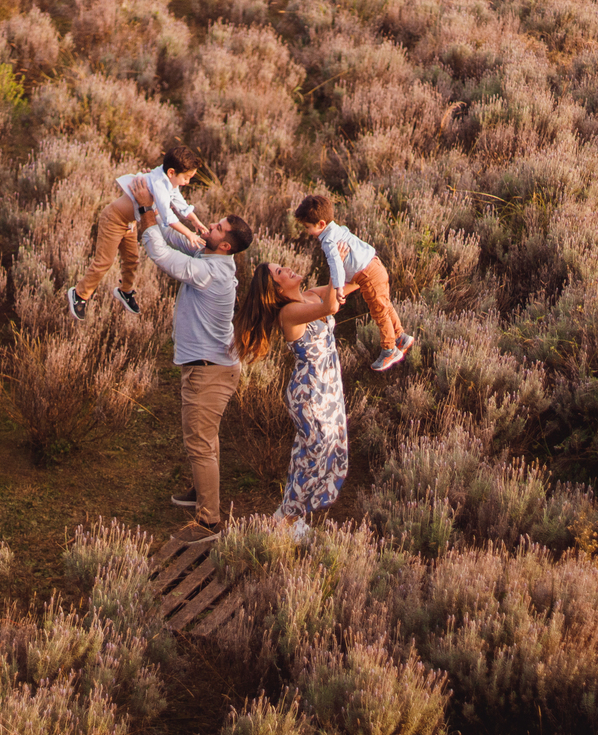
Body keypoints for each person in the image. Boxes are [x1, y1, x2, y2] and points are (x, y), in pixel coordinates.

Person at [131, 176, 254, 545]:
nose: (210, 225)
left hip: (209, 372)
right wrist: (157, 210)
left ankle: (209, 522)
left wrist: (146, 210)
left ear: (226, 244)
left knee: (200, 443)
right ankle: (203, 490)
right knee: (205, 439)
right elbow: (171, 238)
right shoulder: (208, 253)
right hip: (208, 367)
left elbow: (164, 258)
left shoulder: (212, 272)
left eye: (217, 228)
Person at [232, 261, 349, 541]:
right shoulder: (289, 313)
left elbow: (346, 287)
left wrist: (367, 272)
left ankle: (289, 517)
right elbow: (330, 307)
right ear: (277, 289)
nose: (288, 269)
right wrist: (334, 259)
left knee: (321, 453)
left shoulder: (310, 294)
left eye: (283, 266)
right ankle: (285, 520)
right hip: (309, 393)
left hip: (328, 388)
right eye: (281, 273)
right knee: (313, 457)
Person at [68, 146, 209, 320]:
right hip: (114, 220)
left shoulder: (167, 181)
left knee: (132, 260)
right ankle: (80, 294)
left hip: (130, 223)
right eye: (186, 178)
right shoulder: (159, 184)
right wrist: (189, 234)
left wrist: (195, 220)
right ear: (172, 172)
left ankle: (125, 291)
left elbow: (179, 203)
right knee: (104, 261)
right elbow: (167, 216)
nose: (187, 182)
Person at [294, 194, 413, 371]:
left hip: (367, 275)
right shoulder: (338, 229)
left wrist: (339, 288)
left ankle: (389, 348)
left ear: (320, 224)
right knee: (385, 306)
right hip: (375, 266)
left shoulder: (328, 241)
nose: (307, 231)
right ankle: (400, 336)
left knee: (379, 311)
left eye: (308, 227)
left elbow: (336, 265)